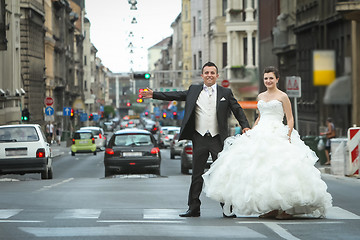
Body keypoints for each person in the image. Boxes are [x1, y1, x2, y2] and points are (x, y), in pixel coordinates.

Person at [202, 66, 333, 220]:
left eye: (271, 78)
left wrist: (288, 134)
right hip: (261, 131)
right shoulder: (260, 96)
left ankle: (285, 209)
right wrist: (251, 131)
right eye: (266, 78)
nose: (268, 81)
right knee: (261, 172)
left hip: (278, 131)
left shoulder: (283, 96)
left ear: (277, 79)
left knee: (281, 169)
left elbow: (290, 118)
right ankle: (271, 207)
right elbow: (259, 116)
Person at [141, 61, 251, 217]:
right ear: (202, 75)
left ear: (217, 76)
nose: (209, 75)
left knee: (221, 174)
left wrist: (245, 125)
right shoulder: (194, 90)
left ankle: (227, 208)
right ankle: (193, 207)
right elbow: (176, 95)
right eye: (206, 73)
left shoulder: (225, 93)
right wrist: (154, 94)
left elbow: (237, 109)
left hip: (217, 138)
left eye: (212, 73)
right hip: (199, 138)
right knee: (196, 175)